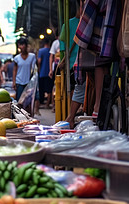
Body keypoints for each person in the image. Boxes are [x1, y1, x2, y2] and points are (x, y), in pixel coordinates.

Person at [64, 0, 85, 128]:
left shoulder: (67, 25)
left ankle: (71, 117)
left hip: (78, 63)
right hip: (80, 62)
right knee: (80, 87)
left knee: (78, 87)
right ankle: (71, 117)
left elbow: (62, 49)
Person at [38, 39, 54, 110]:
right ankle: (48, 103)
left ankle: (41, 103)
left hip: (42, 72)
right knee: (49, 89)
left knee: (41, 89)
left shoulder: (41, 51)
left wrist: (39, 69)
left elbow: (39, 61)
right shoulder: (51, 50)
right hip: (50, 72)